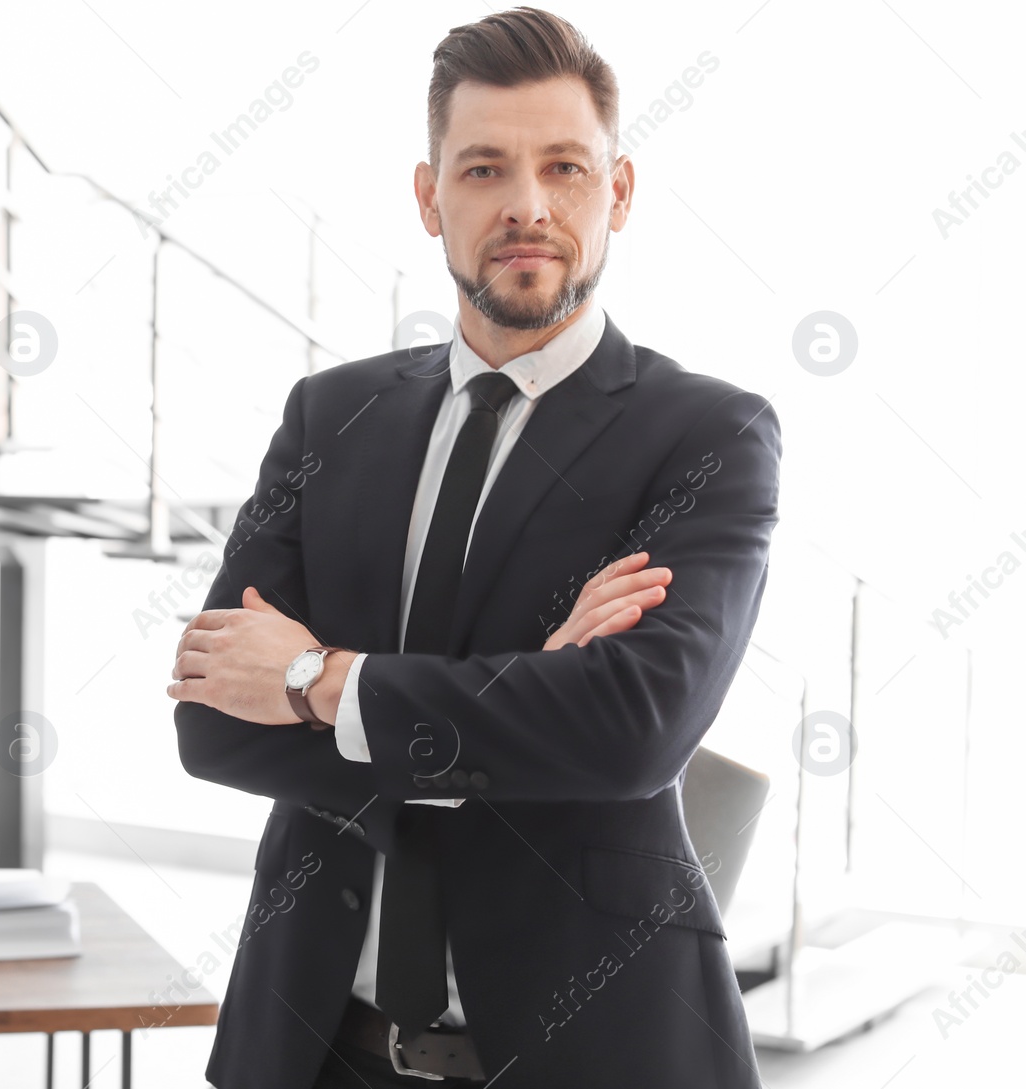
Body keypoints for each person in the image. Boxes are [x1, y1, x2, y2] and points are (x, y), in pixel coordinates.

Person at [168, 8, 779, 1088]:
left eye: (565, 168)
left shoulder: (706, 435)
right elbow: (214, 724)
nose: (527, 207)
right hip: (315, 1046)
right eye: (485, 168)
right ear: (428, 196)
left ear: (619, 192)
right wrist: (528, 700)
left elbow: (632, 734)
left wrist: (319, 681)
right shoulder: (329, 415)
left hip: (593, 1050)